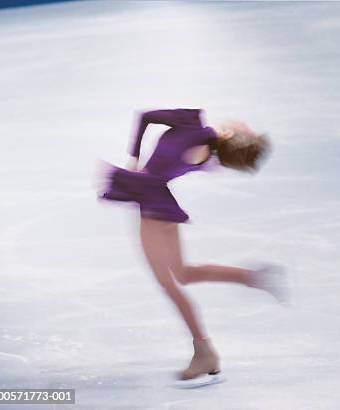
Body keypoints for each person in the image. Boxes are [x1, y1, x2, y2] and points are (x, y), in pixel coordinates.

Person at [98, 108, 286, 380]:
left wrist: (132, 161)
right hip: (161, 203)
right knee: (184, 274)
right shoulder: (208, 152)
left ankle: (204, 351)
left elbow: (145, 117)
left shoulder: (191, 126)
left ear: (231, 134)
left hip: (152, 204)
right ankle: (252, 278)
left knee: (170, 284)